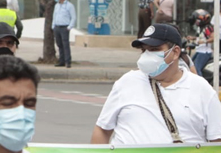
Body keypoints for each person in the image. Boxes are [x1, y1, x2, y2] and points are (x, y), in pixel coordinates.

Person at [91, 24, 221, 145]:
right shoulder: (126, 82)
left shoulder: (202, 89)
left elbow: (217, 142)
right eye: (144, 50)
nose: (147, 55)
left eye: (154, 49)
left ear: (175, 52)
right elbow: (102, 129)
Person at [52, 0, 75, 68]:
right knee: (59, 45)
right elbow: (54, 16)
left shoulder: (69, 6)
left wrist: (69, 27)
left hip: (64, 27)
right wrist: (53, 26)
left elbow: (73, 17)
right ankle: (61, 61)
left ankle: (68, 61)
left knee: (65, 45)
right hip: (57, 27)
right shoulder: (57, 6)